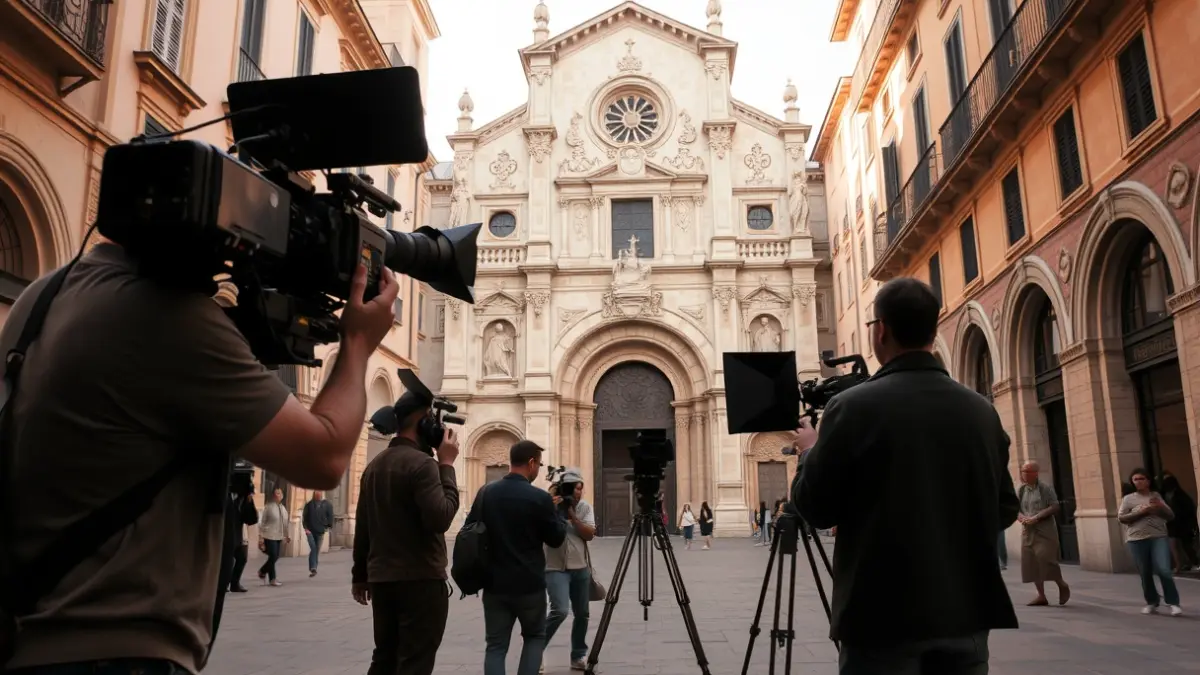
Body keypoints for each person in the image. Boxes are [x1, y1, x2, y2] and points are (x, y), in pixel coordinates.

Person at [0, 234, 400, 674]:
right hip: (116, 647)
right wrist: (357, 343)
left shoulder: (42, 297)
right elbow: (323, 457)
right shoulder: (167, 314)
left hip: (25, 639)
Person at [791, 277, 1019, 675]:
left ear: (881, 331)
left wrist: (809, 450)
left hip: (881, 619)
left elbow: (816, 508)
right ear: (933, 329)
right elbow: (1004, 508)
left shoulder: (852, 408)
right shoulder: (981, 410)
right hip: (966, 616)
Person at [351, 391, 462, 675]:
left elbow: (363, 526)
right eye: (433, 419)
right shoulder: (423, 465)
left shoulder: (374, 466)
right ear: (423, 422)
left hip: (383, 581)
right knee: (415, 663)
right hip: (420, 581)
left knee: (384, 659)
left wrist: (360, 576)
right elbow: (441, 517)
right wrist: (447, 465)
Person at [463, 441, 566, 675]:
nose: (538, 468)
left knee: (496, 646)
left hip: (494, 583)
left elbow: (470, 530)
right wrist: (556, 512)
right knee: (534, 638)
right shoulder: (539, 498)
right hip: (530, 584)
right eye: (539, 464)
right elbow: (556, 539)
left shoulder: (486, 493)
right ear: (531, 462)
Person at [542, 469, 596, 672]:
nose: (578, 493)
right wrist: (552, 509)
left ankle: (578, 654)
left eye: (581, 488)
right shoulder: (549, 506)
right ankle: (534, 650)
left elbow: (590, 534)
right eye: (574, 489)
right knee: (560, 610)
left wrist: (573, 516)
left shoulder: (584, 507)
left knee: (582, 613)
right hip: (554, 567)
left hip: (580, 566)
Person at [1118, 468, 1183, 616]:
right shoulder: (1128, 499)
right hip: (1136, 539)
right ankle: (1152, 602)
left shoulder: (1156, 496)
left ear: (1148, 481)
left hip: (1158, 536)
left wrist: (1160, 507)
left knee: (1164, 569)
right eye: (1135, 479)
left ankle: (1173, 602)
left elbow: (1170, 515)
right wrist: (1142, 512)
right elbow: (1121, 518)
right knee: (1145, 572)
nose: (1138, 482)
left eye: (1141, 479)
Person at [1016, 461, 1070, 606]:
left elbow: (1055, 506)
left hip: (1044, 531)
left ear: (1035, 473)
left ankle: (1061, 584)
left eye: (1027, 471)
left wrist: (1037, 517)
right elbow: (1016, 508)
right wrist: (1021, 517)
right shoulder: (1021, 490)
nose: (1024, 474)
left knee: (1046, 559)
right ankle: (1041, 595)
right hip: (1028, 531)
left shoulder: (1045, 488)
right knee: (1031, 562)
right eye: (1023, 471)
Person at [223, 478, 259, 594]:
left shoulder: (243, 498)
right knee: (226, 562)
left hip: (238, 534)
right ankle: (223, 584)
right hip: (225, 534)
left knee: (242, 558)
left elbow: (251, 520)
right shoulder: (226, 495)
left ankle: (234, 583)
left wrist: (249, 501)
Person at [1160, 472, 1200, 572]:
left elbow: (1188, 509)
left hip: (1182, 524)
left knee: (1186, 545)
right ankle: (1180, 564)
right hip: (1172, 524)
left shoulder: (1179, 495)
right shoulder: (1164, 495)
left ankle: (1193, 562)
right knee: (1175, 545)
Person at [257, 488, 291, 587]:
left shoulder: (283, 508)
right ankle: (263, 571)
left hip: (279, 536)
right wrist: (261, 537)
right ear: (273, 495)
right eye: (276, 493)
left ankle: (271, 579)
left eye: (279, 493)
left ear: (282, 495)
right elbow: (262, 522)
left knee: (274, 557)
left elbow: (285, 523)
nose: (278, 495)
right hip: (269, 535)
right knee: (273, 556)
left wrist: (287, 535)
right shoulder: (269, 507)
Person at [303, 490, 335, 577]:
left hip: (320, 531)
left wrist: (328, 526)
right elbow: (304, 517)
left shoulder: (326, 504)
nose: (318, 493)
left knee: (316, 550)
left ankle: (314, 568)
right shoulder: (309, 505)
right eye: (316, 492)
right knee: (313, 547)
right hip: (310, 531)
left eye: (319, 492)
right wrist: (306, 528)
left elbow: (330, 516)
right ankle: (313, 567)